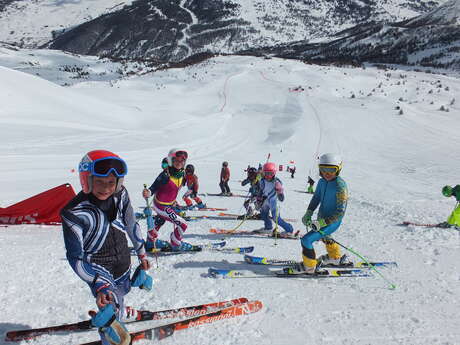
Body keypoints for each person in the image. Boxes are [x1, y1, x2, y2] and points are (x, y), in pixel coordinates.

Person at [62, 150, 151, 345]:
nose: (106, 188)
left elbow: (131, 224)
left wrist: (142, 253)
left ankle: (120, 308)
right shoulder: (73, 212)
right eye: (100, 181)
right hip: (98, 268)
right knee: (111, 319)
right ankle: (111, 331)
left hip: (123, 261)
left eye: (111, 182)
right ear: (88, 180)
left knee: (120, 293)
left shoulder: (121, 195)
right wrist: (98, 283)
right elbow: (75, 257)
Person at [299, 153, 349, 274]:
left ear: (338, 169)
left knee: (306, 240)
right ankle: (335, 258)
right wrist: (309, 212)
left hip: (332, 222)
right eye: (323, 169)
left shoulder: (340, 186)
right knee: (325, 237)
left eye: (331, 170)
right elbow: (316, 198)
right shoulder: (321, 182)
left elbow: (340, 212)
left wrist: (324, 222)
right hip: (321, 218)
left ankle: (309, 267)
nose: (327, 173)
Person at [142, 148, 192, 251]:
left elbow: (173, 190)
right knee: (183, 224)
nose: (179, 163)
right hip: (161, 206)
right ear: (170, 161)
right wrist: (148, 192)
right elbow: (153, 187)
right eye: (176, 160)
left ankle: (150, 241)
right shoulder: (165, 175)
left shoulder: (182, 174)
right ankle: (175, 243)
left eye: (181, 161)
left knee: (160, 220)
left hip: (168, 204)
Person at [255, 162, 294, 235]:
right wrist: (259, 199)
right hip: (266, 201)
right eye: (266, 173)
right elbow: (261, 191)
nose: (268, 176)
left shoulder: (276, 182)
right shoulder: (262, 181)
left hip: (274, 201)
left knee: (276, 219)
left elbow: (282, 199)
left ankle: (289, 229)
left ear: (274, 173)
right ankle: (268, 227)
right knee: (263, 214)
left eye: (271, 174)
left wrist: (279, 191)